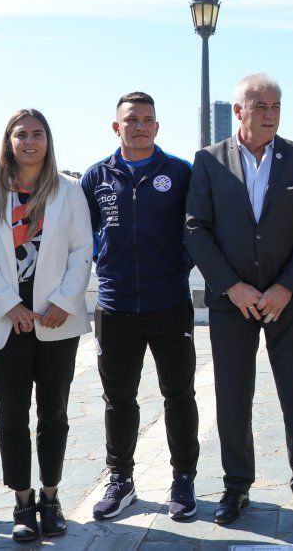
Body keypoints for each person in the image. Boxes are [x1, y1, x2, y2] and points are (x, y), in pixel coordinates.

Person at [186, 74, 293, 525]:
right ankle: (235, 486)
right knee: (233, 396)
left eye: (276, 106)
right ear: (239, 110)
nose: (269, 114)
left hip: (287, 300)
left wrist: (286, 286)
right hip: (233, 302)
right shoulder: (208, 161)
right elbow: (195, 228)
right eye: (260, 106)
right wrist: (233, 286)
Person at [0, 109, 92, 542]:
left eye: (38, 134)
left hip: (57, 321)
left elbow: (82, 251)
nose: (30, 142)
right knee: (12, 415)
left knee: (53, 413)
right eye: (22, 134)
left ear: (48, 141)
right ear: (9, 141)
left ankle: (51, 497)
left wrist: (63, 301)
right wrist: (9, 306)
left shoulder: (69, 191)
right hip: (8, 324)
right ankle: (22, 503)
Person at [81, 92, 200, 522]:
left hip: (169, 304)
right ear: (117, 127)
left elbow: (195, 232)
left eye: (148, 120)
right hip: (114, 307)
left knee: (179, 394)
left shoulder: (179, 173)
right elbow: (85, 234)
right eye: (131, 120)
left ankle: (183, 479)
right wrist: (105, 264)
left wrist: (176, 269)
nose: (140, 126)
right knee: (119, 399)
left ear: (157, 126)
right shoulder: (97, 176)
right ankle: (120, 479)